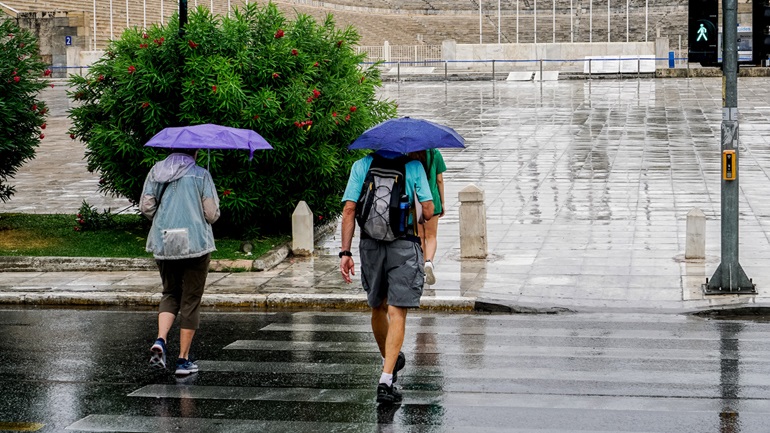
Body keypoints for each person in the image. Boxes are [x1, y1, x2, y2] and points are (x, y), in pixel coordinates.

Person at [339, 149, 434, 403]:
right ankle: (386, 379)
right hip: (404, 245)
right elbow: (428, 210)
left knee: (378, 307)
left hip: (370, 245)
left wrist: (345, 252)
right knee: (397, 311)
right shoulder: (414, 167)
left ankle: (388, 358)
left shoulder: (362, 165)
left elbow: (349, 210)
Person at [139, 148, 220, 376]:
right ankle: (183, 360)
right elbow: (211, 214)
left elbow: (146, 206)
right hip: (196, 244)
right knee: (191, 299)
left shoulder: (156, 171)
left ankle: (161, 339)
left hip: (164, 242)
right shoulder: (201, 174)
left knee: (170, 292)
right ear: (194, 152)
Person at [410, 149, 446, 285]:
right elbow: (440, 180)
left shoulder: (409, 154)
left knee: (420, 235)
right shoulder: (435, 153)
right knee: (431, 236)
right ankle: (429, 262)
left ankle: (422, 267)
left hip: (416, 200)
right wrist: (442, 202)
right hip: (432, 200)